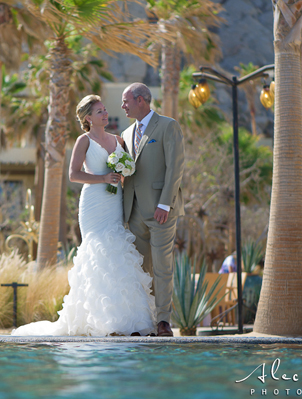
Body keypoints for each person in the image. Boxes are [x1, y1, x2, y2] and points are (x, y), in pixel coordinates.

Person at [12, 95, 156, 337]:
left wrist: (122, 174)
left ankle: (128, 321)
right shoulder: (83, 141)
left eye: (104, 109)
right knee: (97, 251)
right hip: (93, 204)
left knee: (117, 251)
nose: (105, 114)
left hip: (114, 202)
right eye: (99, 111)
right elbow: (73, 174)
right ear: (88, 118)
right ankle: (102, 323)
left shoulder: (118, 140)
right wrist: (102, 178)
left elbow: (127, 171)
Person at [120, 83, 185, 337]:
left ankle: (163, 322)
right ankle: (143, 320)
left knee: (162, 267)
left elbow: (176, 167)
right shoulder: (125, 134)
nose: (123, 106)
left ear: (141, 100)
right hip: (133, 211)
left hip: (161, 212)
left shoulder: (168, 126)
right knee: (140, 268)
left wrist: (165, 203)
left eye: (126, 101)